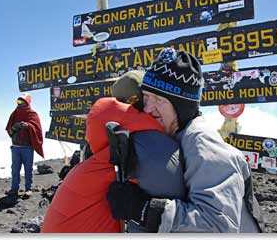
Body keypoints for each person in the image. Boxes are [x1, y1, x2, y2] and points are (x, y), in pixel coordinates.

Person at [107, 48, 265, 233]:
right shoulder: (171, 135)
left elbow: (218, 227)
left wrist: (144, 210)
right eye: (147, 97)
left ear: (181, 106)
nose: (148, 108)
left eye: (160, 100)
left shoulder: (204, 145)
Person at [41, 70, 184, 233]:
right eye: (150, 99)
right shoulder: (147, 144)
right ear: (135, 100)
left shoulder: (106, 140)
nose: (152, 106)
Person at [5, 93, 44, 197]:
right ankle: (14, 189)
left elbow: (37, 129)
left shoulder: (32, 114)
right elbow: (9, 130)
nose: (19, 104)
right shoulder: (14, 114)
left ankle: (28, 189)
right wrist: (14, 128)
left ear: (27, 102)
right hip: (16, 147)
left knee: (28, 169)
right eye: (18, 101)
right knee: (15, 169)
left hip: (27, 147)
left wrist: (28, 126)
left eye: (22, 101)